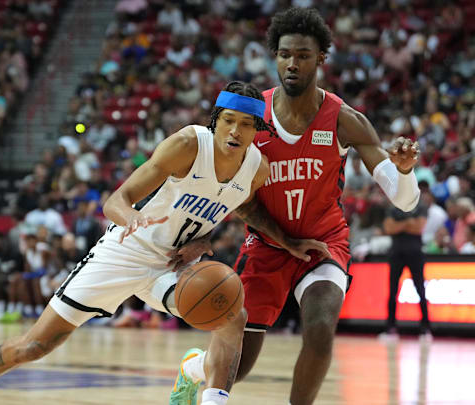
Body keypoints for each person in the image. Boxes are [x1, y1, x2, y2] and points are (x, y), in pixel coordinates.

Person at [0, 81, 271, 405]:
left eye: (245, 124)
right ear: (216, 120)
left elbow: (230, 203)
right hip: (126, 251)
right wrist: (132, 218)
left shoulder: (256, 170)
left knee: (232, 316)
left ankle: (195, 375)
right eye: (228, 120)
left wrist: (204, 239)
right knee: (36, 345)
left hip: (173, 265)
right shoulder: (189, 145)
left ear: (256, 128)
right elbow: (115, 201)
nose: (234, 131)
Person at [175, 8, 421, 405]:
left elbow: (404, 199)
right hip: (267, 244)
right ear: (274, 56)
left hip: (322, 244)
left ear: (321, 58)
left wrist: (405, 171)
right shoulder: (251, 118)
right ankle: (194, 368)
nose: (293, 63)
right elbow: (222, 184)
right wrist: (201, 234)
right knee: (240, 366)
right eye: (285, 54)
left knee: (321, 330)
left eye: (303, 55)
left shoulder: (345, 120)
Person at [380, 203, 431, 340]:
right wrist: (408, 223)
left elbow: (419, 228)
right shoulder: (393, 208)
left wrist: (399, 225)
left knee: (421, 290)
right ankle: (390, 327)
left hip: (415, 253)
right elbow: (389, 228)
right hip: (396, 253)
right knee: (392, 291)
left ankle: (425, 329)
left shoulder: (420, 206)